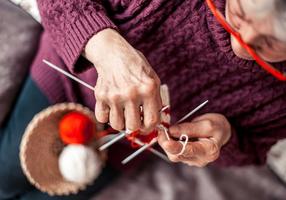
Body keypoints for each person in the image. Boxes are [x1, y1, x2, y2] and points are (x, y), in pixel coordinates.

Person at [0, 0, 286, 199]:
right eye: (240, 15)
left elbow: (252, 147)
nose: (241, 43)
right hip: (63, 79)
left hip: (121, 147)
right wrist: (103, 46)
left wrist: (224, 137)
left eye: (270, 43)